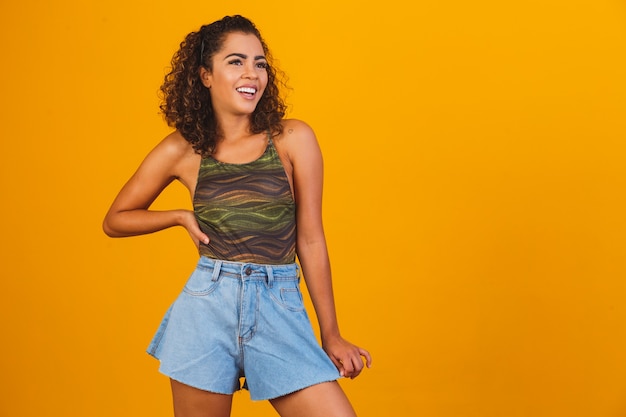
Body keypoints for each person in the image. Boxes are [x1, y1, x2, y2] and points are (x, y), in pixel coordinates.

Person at [103, 15, 371, 417]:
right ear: (205, 75)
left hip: (279, 304)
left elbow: (310, 239)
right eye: (236, 61)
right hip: (207, 307)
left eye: (260, 63)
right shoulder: (183, 150)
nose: (252, 74)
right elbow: (116, 219)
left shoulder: (292, 139)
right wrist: (178, 216)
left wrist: (330, 334)